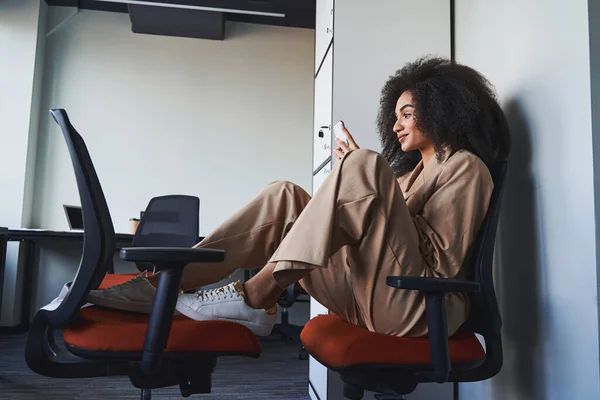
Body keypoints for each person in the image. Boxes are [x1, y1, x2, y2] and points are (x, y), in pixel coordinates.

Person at [88, 56, 511, 338]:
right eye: (395, 115)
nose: (398, 125)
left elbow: (440, 265)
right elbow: (388, 235)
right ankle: (165, 285)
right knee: (285, 195)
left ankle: (255, 295)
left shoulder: (466, 169)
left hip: (420, 308)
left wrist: (366, 175)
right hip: (370, 295)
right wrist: (367, 180)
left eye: (407, 113)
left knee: (364, 164)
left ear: (443, 109)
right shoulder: (412, 174)